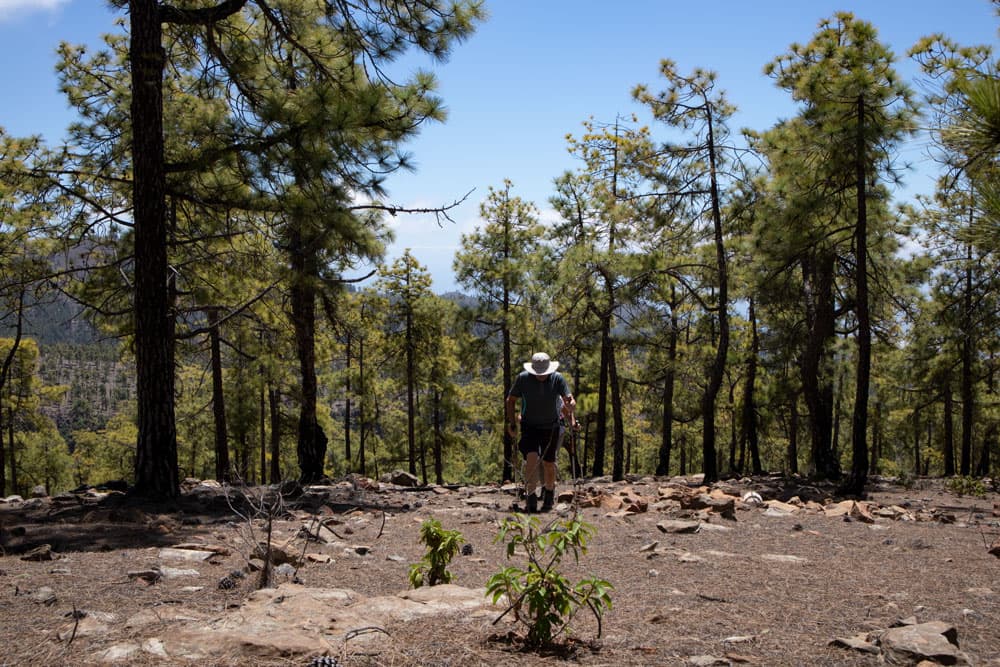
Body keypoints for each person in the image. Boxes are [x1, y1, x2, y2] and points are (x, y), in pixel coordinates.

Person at [506, 352, 576, 512]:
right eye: (538, 373)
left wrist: (571, 404)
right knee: (531, 459)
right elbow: (511, 400)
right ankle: (531, 497)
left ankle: (549, 493)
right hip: (529, 426)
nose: (541, 376)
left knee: (549, 464)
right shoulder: (523, 379)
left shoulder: (557, 378)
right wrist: (511, 422)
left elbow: (568, 398)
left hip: (551, 427)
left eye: (544, 373)